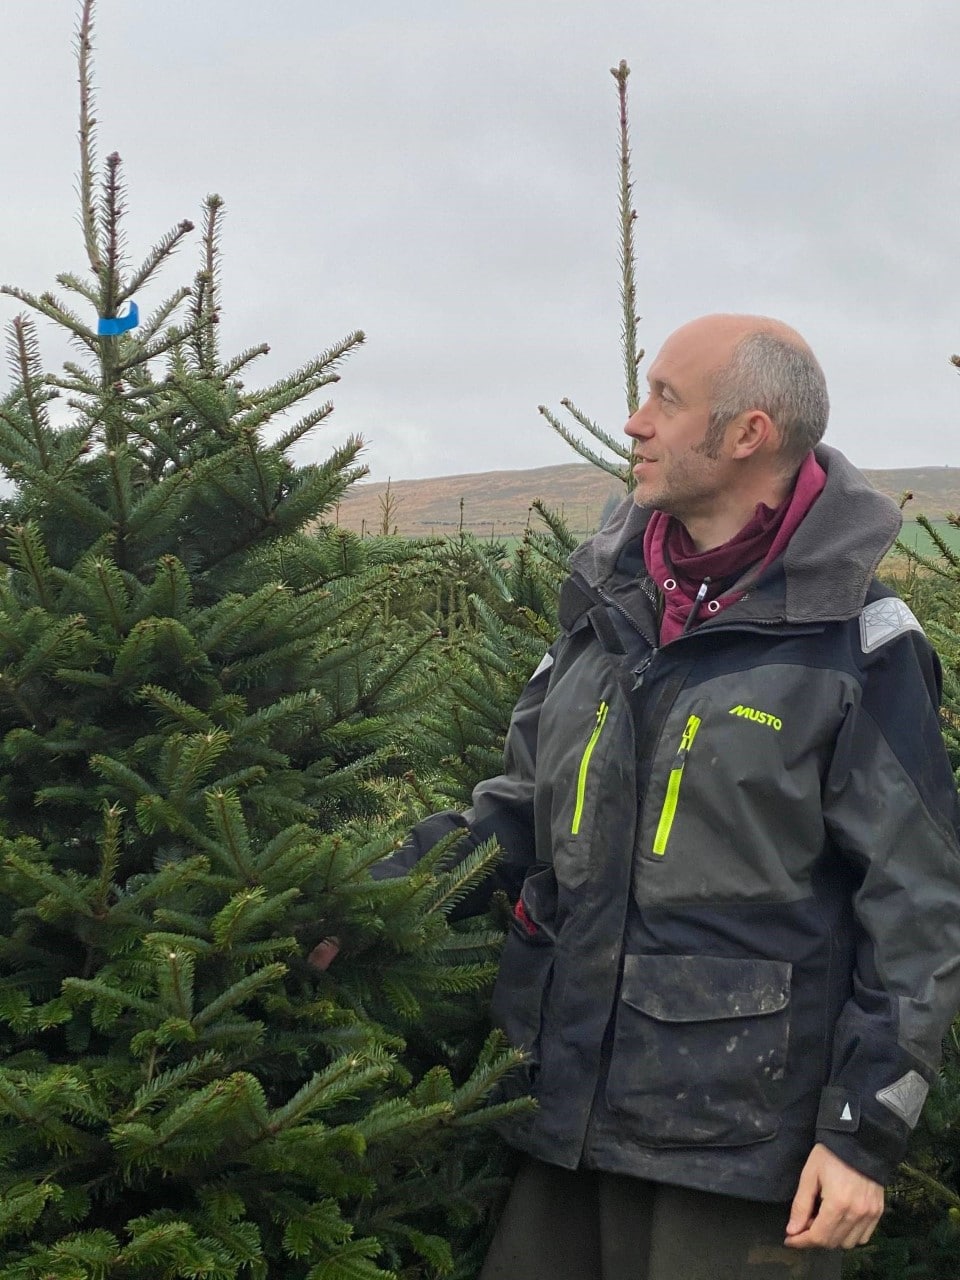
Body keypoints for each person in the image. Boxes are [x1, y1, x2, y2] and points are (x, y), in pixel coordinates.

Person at [312, 314, 960, 1279]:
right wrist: (367, 898)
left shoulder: (858, 644)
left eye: (665, 398)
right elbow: (519, 811)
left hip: (741, 1153)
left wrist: (863, 1133)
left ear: (749, 433)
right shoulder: (607, 613)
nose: (633, 423)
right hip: (563, 1111)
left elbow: (918, 908)